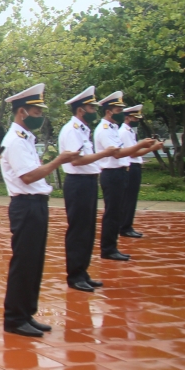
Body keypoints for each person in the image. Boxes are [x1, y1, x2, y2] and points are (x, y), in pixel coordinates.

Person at [0, 84, 80, 338]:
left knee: (34, 262)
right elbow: (28, 176)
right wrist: (58, 161)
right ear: (22, 112)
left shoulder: (25, 139)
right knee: (24, 262)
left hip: (36, 204)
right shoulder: (15, 141)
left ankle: (26, 313)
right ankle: (14, 317)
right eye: (36, 111)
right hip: (26, 205)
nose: (39, 116)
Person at [58, 86, 118, 292]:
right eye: (91, 107)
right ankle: (75, 275)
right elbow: (76, 161)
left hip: (88, 181)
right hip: (78, 183)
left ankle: (82, 271)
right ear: (81, 110)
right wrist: (105, 153)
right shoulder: (72, 130)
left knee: (88, 229)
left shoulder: (83, 129)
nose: (95, 110)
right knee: (79, 230)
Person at [94, 92, 160, 263]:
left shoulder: (113, 129)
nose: (121, 113)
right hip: (111, 173)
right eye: (118, 109)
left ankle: (112, 247)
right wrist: (143, 145)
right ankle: (108, 248)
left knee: (116, 212)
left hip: (119, 172)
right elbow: (117, 154)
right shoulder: (105, 129)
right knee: (112, 212)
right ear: (109, 111)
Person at [119, 104, 157, 239]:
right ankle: (125, 226)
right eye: (135, 118)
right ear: (128, 118)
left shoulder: (130, 131)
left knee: (131, 198)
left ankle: (127, 225)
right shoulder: (124, 132)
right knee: (129, 198)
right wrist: (152, 148)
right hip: (130, 166)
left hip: (134, 166)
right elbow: (133, 153)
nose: (137, 121)